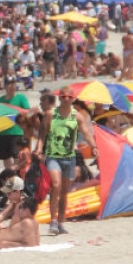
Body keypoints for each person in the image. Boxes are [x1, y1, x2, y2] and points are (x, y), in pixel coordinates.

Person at [41, 87, 96, 236]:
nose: (66, 99)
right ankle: (53, 221)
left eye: (69, 97)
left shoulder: (77, 116)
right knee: (56, 185)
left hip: (69, 157)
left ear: (73, 99)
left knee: (64, 192)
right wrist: (39, 150)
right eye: (63, 96)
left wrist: (94, 147)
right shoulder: (51, 114)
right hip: (53, 155)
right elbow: (42, 134)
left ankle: (60, 222)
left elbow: (86, 132)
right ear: (59, 98)